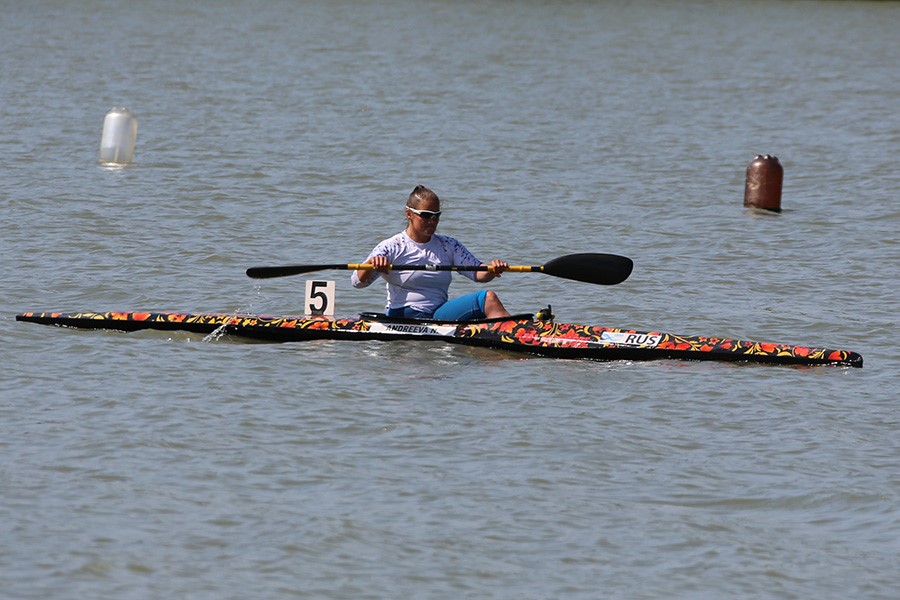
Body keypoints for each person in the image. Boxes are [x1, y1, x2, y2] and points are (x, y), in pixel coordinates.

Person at [351, 185, 512, 321]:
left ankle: (515, 337)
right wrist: (371, 265)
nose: (432, 221)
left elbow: (477, 273)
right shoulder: (391, 247)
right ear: (409, 214)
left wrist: (492, 269)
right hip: (404, 315)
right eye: (426, 215)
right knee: (487, 299)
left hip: (438, 314)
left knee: (487, 299)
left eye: (437, 216)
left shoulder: (448, 245)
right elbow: (358, 282)